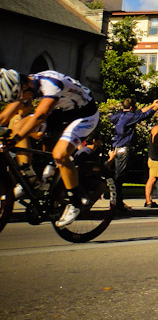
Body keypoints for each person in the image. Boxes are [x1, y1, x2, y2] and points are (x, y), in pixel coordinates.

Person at [0, 68, 99, 227]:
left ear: (24, 86)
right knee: (17, 125)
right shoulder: (26, 87)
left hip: (85, 115)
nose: (23, 100)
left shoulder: (51, 83)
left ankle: (74, 203)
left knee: (60, 154)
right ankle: (29, 177)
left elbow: (41, 115)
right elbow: (4, 117)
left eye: (20, 96)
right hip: (62, 114)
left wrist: (15, 140)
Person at [110, 97, 158, 212]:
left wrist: (151, 104)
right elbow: (143, 115)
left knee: (118, 175)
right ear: (131, 108)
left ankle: (117, 201)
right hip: (124, 148)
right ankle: (117, 203)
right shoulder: (129, 117)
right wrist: (157, 107)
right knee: (120, 177)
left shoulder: (119, 115)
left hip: (116, 147)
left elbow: (139, 113)